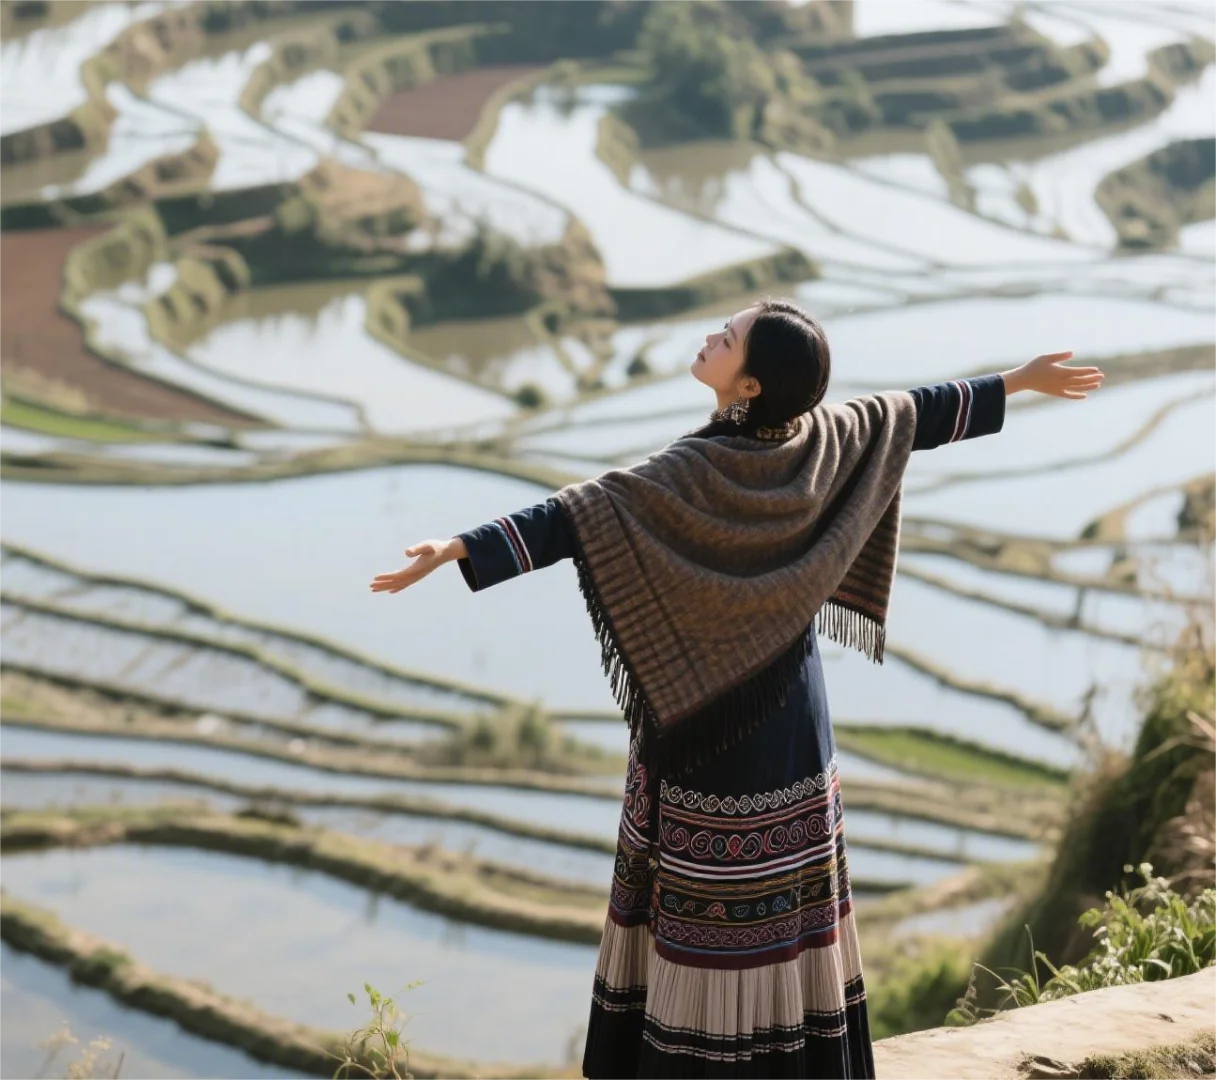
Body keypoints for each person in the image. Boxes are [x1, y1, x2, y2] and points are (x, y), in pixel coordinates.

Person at [371, 299, 1104, 1079]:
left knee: (711, 911)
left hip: (711, 730)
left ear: (748, 385)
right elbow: (910, 415)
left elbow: (575, 517)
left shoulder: (690, 471)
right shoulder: (825, 439)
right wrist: (1014, 383)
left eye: (726, 338)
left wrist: (460, 548)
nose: (710, 336)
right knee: (785, 906)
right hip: (790, 714)